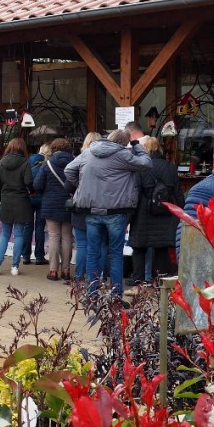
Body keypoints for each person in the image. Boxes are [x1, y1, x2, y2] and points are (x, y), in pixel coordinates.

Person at [65, 128, 152, 300]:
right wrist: (136, 145)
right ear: (124, 143)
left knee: (92, 253)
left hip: (92, 211)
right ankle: (116, 296)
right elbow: (146, 163)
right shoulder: (123, 155)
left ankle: (91, 294)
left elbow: (69, 170)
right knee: (116, 255)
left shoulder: (89, 152)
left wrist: (83, 187)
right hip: (116, 212)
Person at [129, 136, 182, 283]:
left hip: (143, 213)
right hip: (165, 212)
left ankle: (138, 280)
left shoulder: (140, 167)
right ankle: (159, 280)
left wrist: (129, 215)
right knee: (161, 249)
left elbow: (135, 192)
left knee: (139, 249)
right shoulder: (170, 167)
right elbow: (177, 192)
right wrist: (181, 211)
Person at [0, 138, 32, 276]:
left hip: (6, 200)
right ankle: (14, 267)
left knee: (5, 234)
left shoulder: (1, 162)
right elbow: (28, 182)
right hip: (21, 201)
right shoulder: (25, 163)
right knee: (19, 234)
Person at [34, 137, 75, 281]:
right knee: (67, 236)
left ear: (54, 149)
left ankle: (53, 271)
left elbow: (37, 185)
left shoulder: (47, 165)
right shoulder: (75, 163)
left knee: (53, 236)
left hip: (51, 204)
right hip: (69, 204)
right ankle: (66, 271)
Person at [71, 132, 103, 282]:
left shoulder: (80, 159)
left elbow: (67, 183)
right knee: (100, 244)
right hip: (100, 206)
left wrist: (78, 187)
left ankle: (79, 276)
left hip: (81, 207)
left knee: (82, 244)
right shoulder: (106, 160)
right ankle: (99, 276)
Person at [22, 144, 48, 266]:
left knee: (27, 227)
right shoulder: (47, 164)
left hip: (28, 198)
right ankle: (39, 256)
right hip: (43, 199)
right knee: (39, 228)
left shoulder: (28, 162)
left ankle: (26, 256)